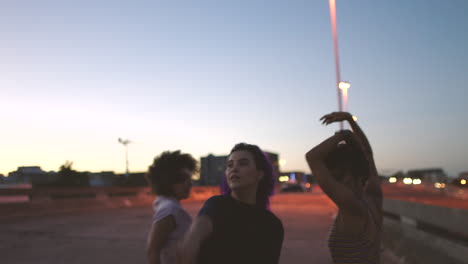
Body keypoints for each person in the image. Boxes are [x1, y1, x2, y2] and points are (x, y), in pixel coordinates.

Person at [180, 143, 284, 264]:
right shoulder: (217, 206)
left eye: (243, 163)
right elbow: (189, 247)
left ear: (259, 174)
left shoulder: (272, 224)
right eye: (230, 165)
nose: (234, 169)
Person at [305, 112, 383, 264]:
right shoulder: (374, 198)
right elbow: (367, 153)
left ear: (354, 176)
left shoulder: (352, 206)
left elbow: (312, 157)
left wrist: (343, 135)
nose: (334, 182)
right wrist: (349, 121)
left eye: (339, 177)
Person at [145, 150, 197, 264]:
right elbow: (153, 250)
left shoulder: (169, 206)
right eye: (182, 179)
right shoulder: (170, 210)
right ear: (167, 182)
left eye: (190, 179)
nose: (189, 184)